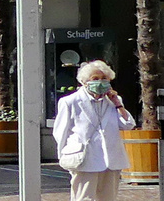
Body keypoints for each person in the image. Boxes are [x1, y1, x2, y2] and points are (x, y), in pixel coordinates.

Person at [53, 60, 136, 201]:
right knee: (84, 198)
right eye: (95, 79)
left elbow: (128, 124)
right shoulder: (70, 101)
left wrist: (117, 104)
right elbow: (61, 132)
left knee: (108, 197)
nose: (100, 82)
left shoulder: (114, 101)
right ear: (85, 81)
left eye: (104, 78)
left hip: (111, 158)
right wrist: (65, 156)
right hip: (84, 159)